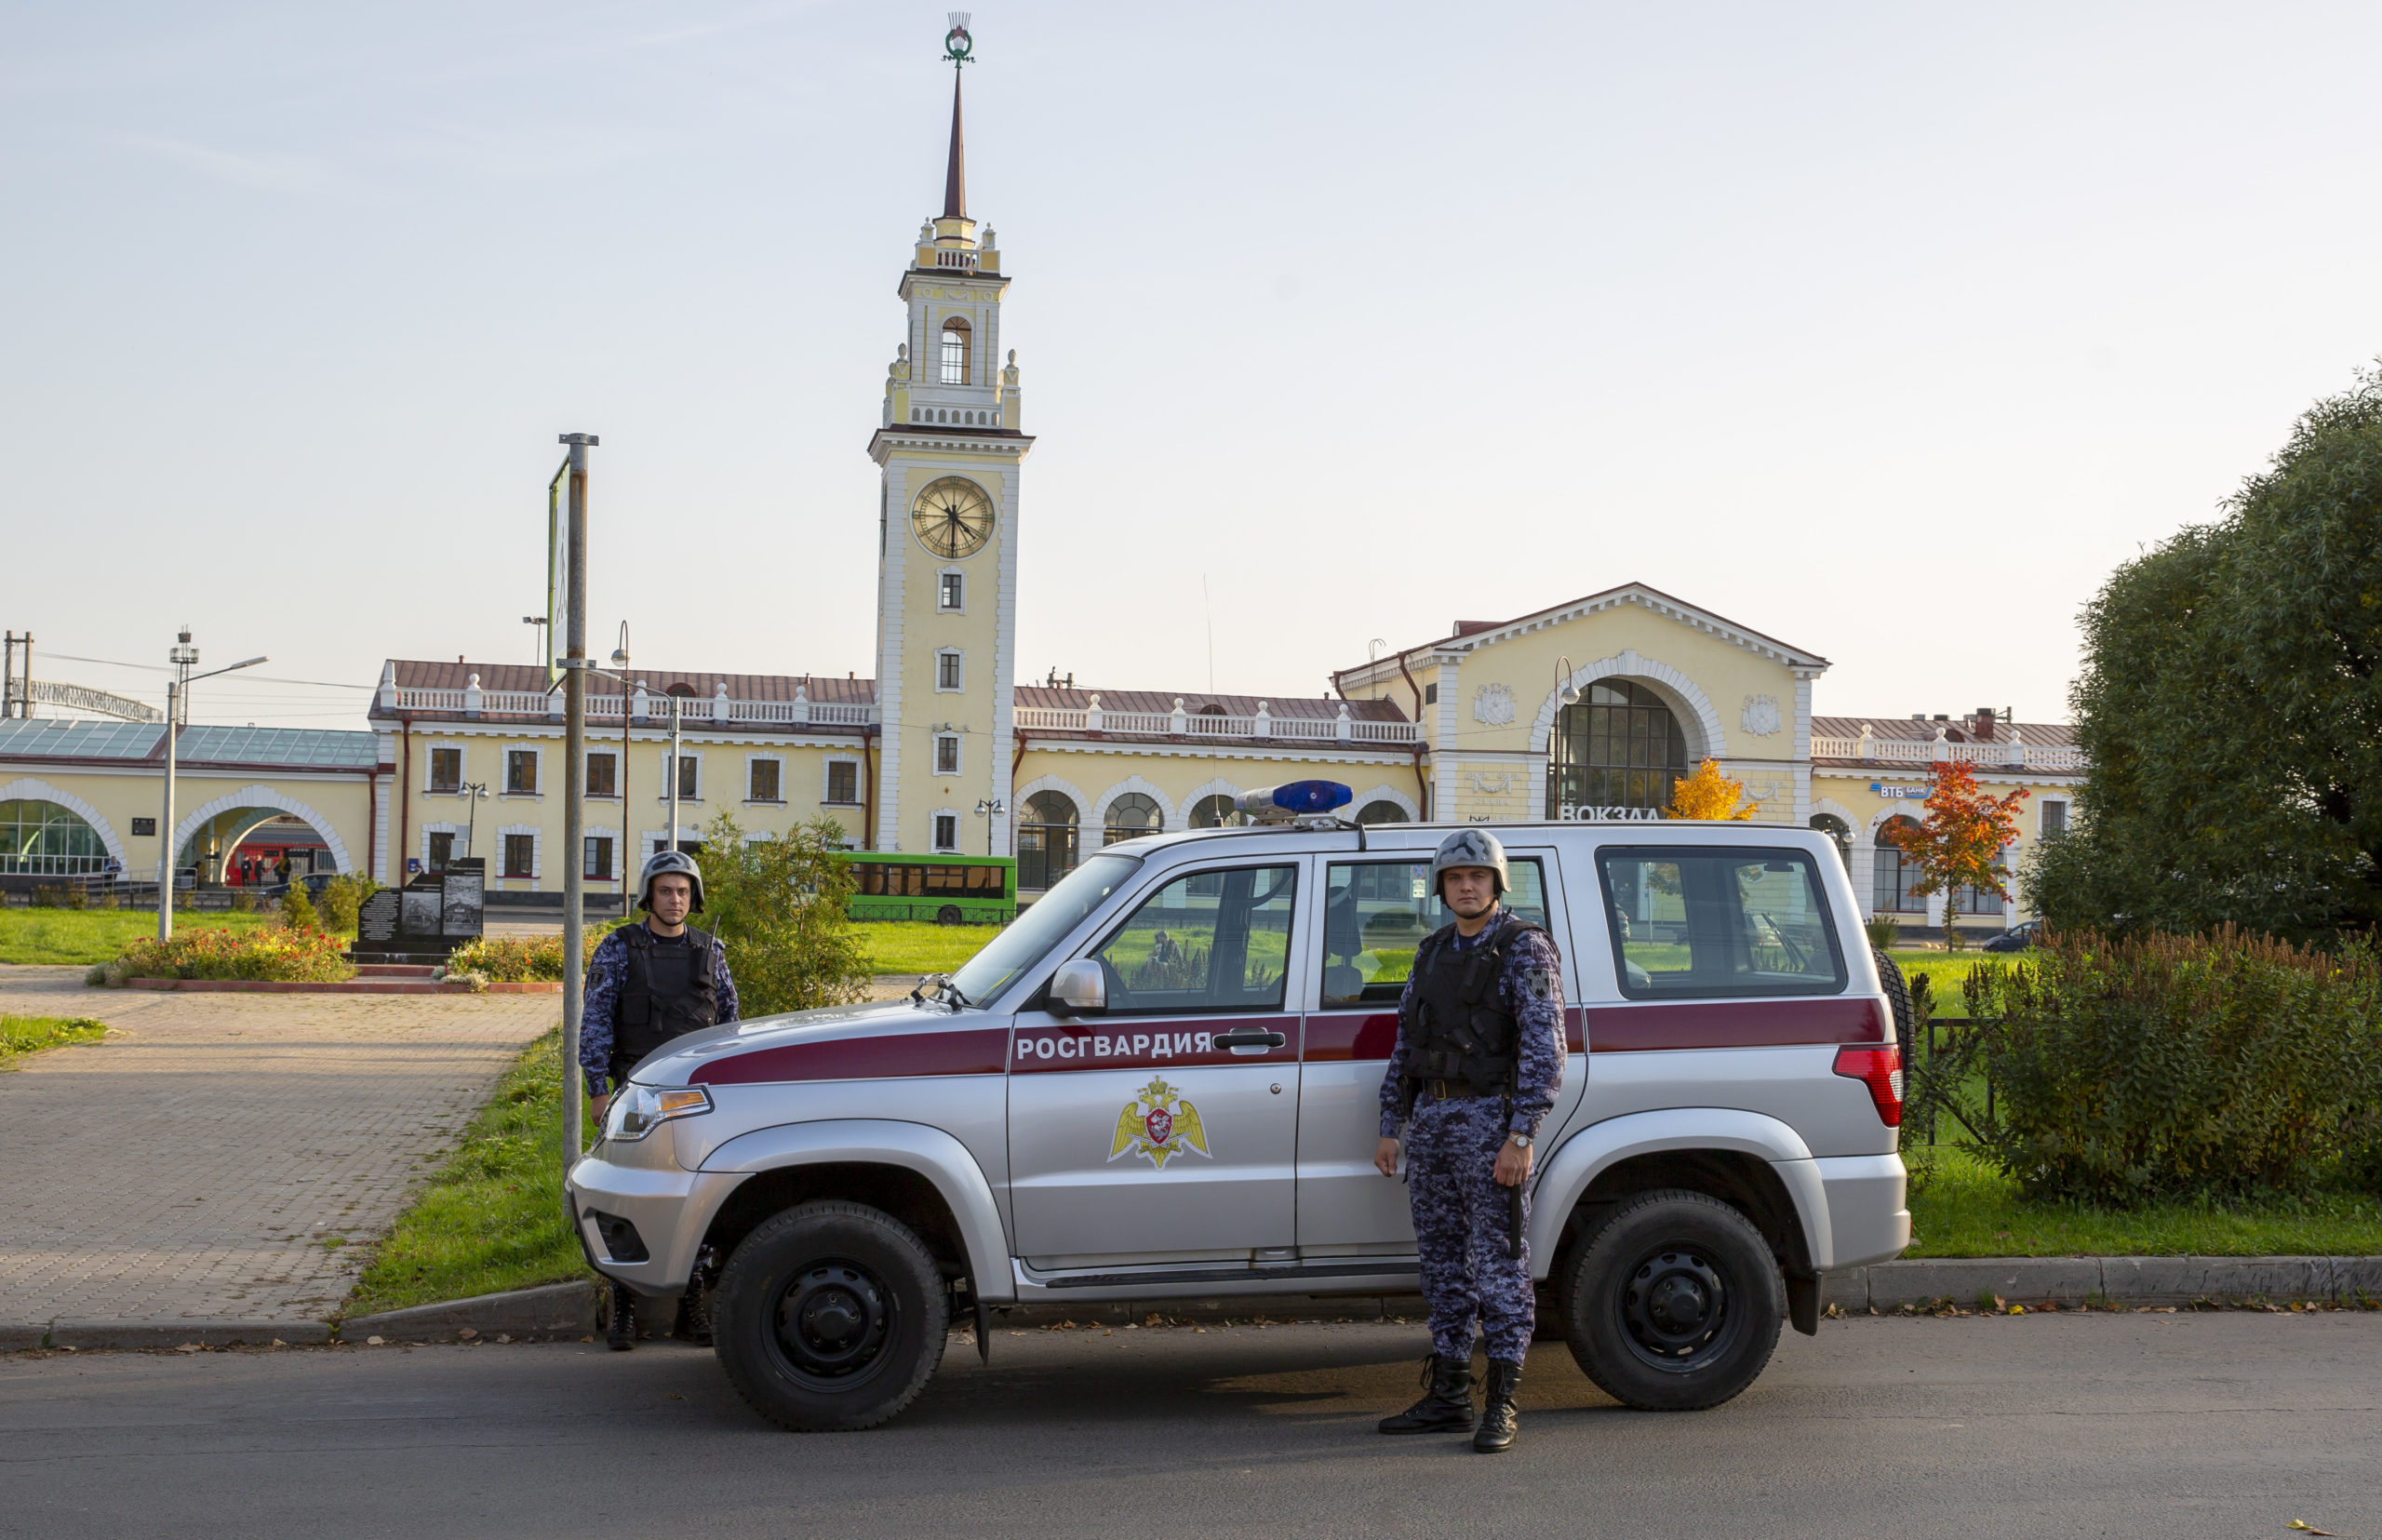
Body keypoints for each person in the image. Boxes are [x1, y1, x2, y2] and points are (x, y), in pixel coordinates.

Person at [1372, 828, 1564, 1453]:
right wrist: (1390, 1124)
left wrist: (1521, 1134)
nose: (1467, 885)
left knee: (1501, 1268)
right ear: (1441, 887)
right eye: (1455, 877)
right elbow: (1407, 1044)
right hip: (1432, 1127)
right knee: (1443, 1266)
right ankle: (1450, 1394)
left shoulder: (1524, 950)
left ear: (1496, 882)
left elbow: (1546, 1048)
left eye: (1478, 876)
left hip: (1493, 1128)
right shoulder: (1431, 952)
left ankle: (1502, 1402)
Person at [580, 848, 740, 1351]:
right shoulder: (618, 948)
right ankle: (624, 1306)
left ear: (694, 898)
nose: (675, 900)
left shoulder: (711, 952)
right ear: (650, 895)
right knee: (629, 1200)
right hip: (634, 1097)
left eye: (684, 892)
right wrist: (599, 1090)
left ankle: (693, 1301)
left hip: (697, 1100)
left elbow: (731, 1026)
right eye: (667, 890)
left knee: (698, 1198)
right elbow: (595, 1021)